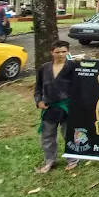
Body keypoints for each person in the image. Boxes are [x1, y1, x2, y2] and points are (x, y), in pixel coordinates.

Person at [34, 41, 78, 173]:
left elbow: (89, 73)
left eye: (64, 51)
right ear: (51, 52)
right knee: (47, 137)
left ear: (68, 52)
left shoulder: (73, 66)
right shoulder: (45, 68)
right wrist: (38, 101)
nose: (60, 54)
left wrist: (82, 60)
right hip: (49, 107)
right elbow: (38, 87)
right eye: (57, 52)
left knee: (69, 135)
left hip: (67, 107)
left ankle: (73, 160)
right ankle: (49, 161)